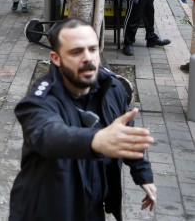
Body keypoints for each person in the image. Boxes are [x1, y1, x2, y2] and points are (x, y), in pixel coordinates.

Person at [9, 19, 157, 220]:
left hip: (93, 208)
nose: (88, 58)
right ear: (56, 58)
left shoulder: (111, 87)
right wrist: (95, 140)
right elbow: (47, 135)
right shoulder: (40, 100)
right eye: (76, 52)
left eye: (93, 49)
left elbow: (124, 132)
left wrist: (142, 174)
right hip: (49, 211)